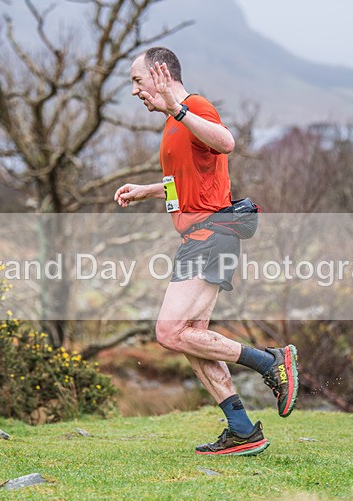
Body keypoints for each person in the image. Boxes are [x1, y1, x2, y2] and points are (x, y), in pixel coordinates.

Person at [114, 47, 298, 456]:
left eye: (137, 80)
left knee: (168, 332)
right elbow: (186, 180)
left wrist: (178, 109)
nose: (134, 91)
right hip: (200, 236)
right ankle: (242, 430)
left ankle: (271, 362)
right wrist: (148, 190)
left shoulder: (193, 108)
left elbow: (226, 142)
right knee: (190, 339)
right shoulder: (172, 124)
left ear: (161, 74)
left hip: (212, 234)